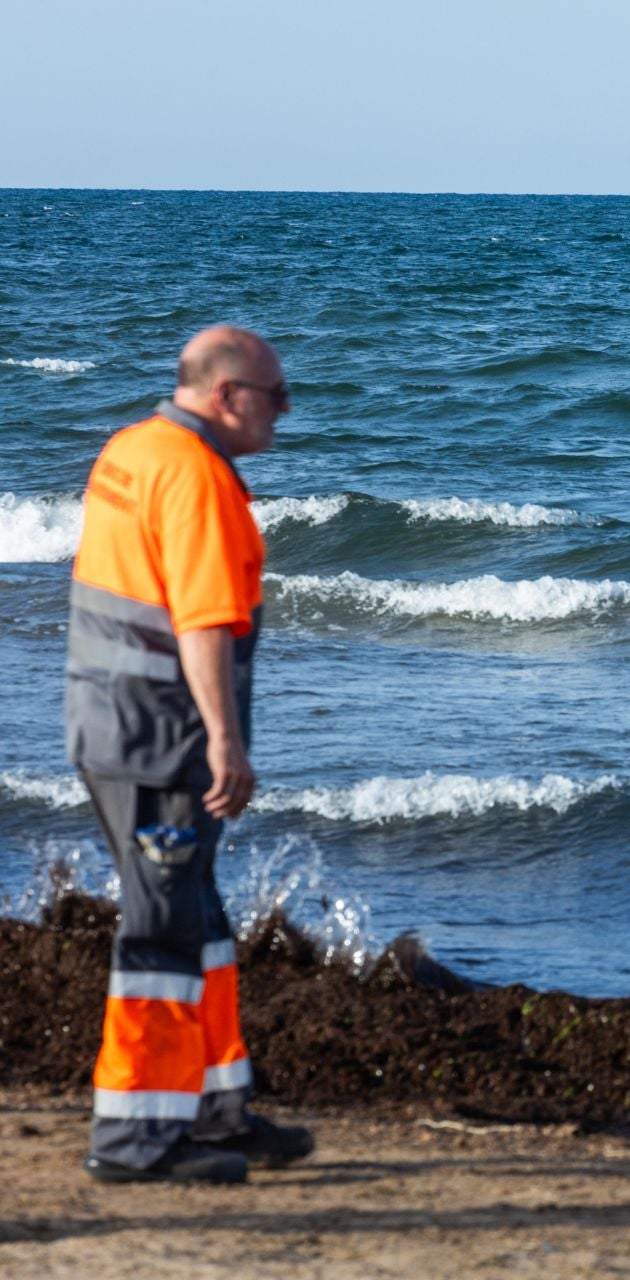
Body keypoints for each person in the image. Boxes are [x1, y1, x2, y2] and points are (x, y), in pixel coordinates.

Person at [67, 325, 313, 1185]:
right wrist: (226, 742)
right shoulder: (198, 477)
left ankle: (217, 1110)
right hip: (161, 737)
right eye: (276, 395)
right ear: (225, 395)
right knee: (162, 934)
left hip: (112, 724)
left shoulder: (132, 449)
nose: (287, 410)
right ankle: (136, 1140)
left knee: (198, 924)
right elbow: (202, 621)